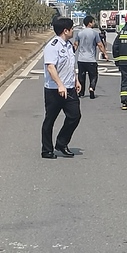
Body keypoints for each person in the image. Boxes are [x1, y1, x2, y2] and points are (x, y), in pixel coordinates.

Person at [42, 17, 81, 159]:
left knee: (75, 116)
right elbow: (51, 67)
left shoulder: (69, 45)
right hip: (54, 89)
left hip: (69, 88)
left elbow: (70, 65)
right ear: (65, 30)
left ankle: (61, 143)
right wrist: (60, 85)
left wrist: (76, 80)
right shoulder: (52, 46)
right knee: (50, 120)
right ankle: (47, 150)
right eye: (72, 29)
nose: (73, 31)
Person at [75, 15, 107, 98]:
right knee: (93, 76)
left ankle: (81, 92)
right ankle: (92, 88)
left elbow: (75, 45)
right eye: (93, 22)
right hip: (91, 60)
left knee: (81, 77)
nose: (94, 23)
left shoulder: (79, 33)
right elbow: (100, 45)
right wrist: (105, 54)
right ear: (89, 23)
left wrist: (72, 53)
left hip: (81, 59)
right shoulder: (95, 33)